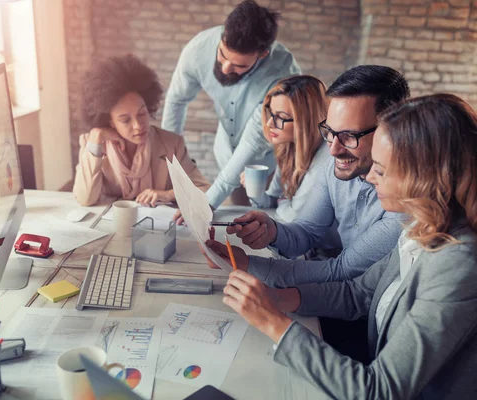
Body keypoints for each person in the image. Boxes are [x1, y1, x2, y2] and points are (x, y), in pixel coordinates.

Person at [219, 94, 477, 399]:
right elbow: (358, 293)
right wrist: (275, 298)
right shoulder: (420, 226)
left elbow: (379, 390)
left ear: (422, 179)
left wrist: (275, 323)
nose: (369, 177)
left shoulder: (457, 263)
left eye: (380, 170)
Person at [207, 65, 411, 362]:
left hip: (364, 330)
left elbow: (341, 273)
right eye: (330, 132)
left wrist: (249, 264)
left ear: (391, 130)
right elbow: (306, 232)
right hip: (335, 302)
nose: (333, 150)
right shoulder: (336, 164)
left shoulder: (404, 207)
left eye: (350, 136)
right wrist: (272, 231)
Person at [162, 0, 300, 208]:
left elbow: (253, 142)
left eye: (239, 65)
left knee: (264, 216)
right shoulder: (198, 49)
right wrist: (169, 165)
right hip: (227, 153)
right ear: (222, 36)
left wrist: (206, 204)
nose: (226, 68)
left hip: (268, 162)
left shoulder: (284, 75)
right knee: (237, 216)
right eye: (222, 55)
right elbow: (176, 100)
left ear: (262, 55)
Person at [73, 55, 210, 207]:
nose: (138, 125)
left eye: (142, 113)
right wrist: (96, 139)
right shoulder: (93, 143)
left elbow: (204, 189)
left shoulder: (172, 144)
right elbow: (85, 199)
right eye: (125, 120)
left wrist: (167, 194)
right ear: (109, 121)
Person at [241, 75, 331, 223]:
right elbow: (272, 200)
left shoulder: (326, 157)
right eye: (271, 113)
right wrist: (256, 192)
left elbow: (295, 217)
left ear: (306, 121)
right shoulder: (289, 148)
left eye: (281, 117)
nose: (270, 123)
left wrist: (282, 202)